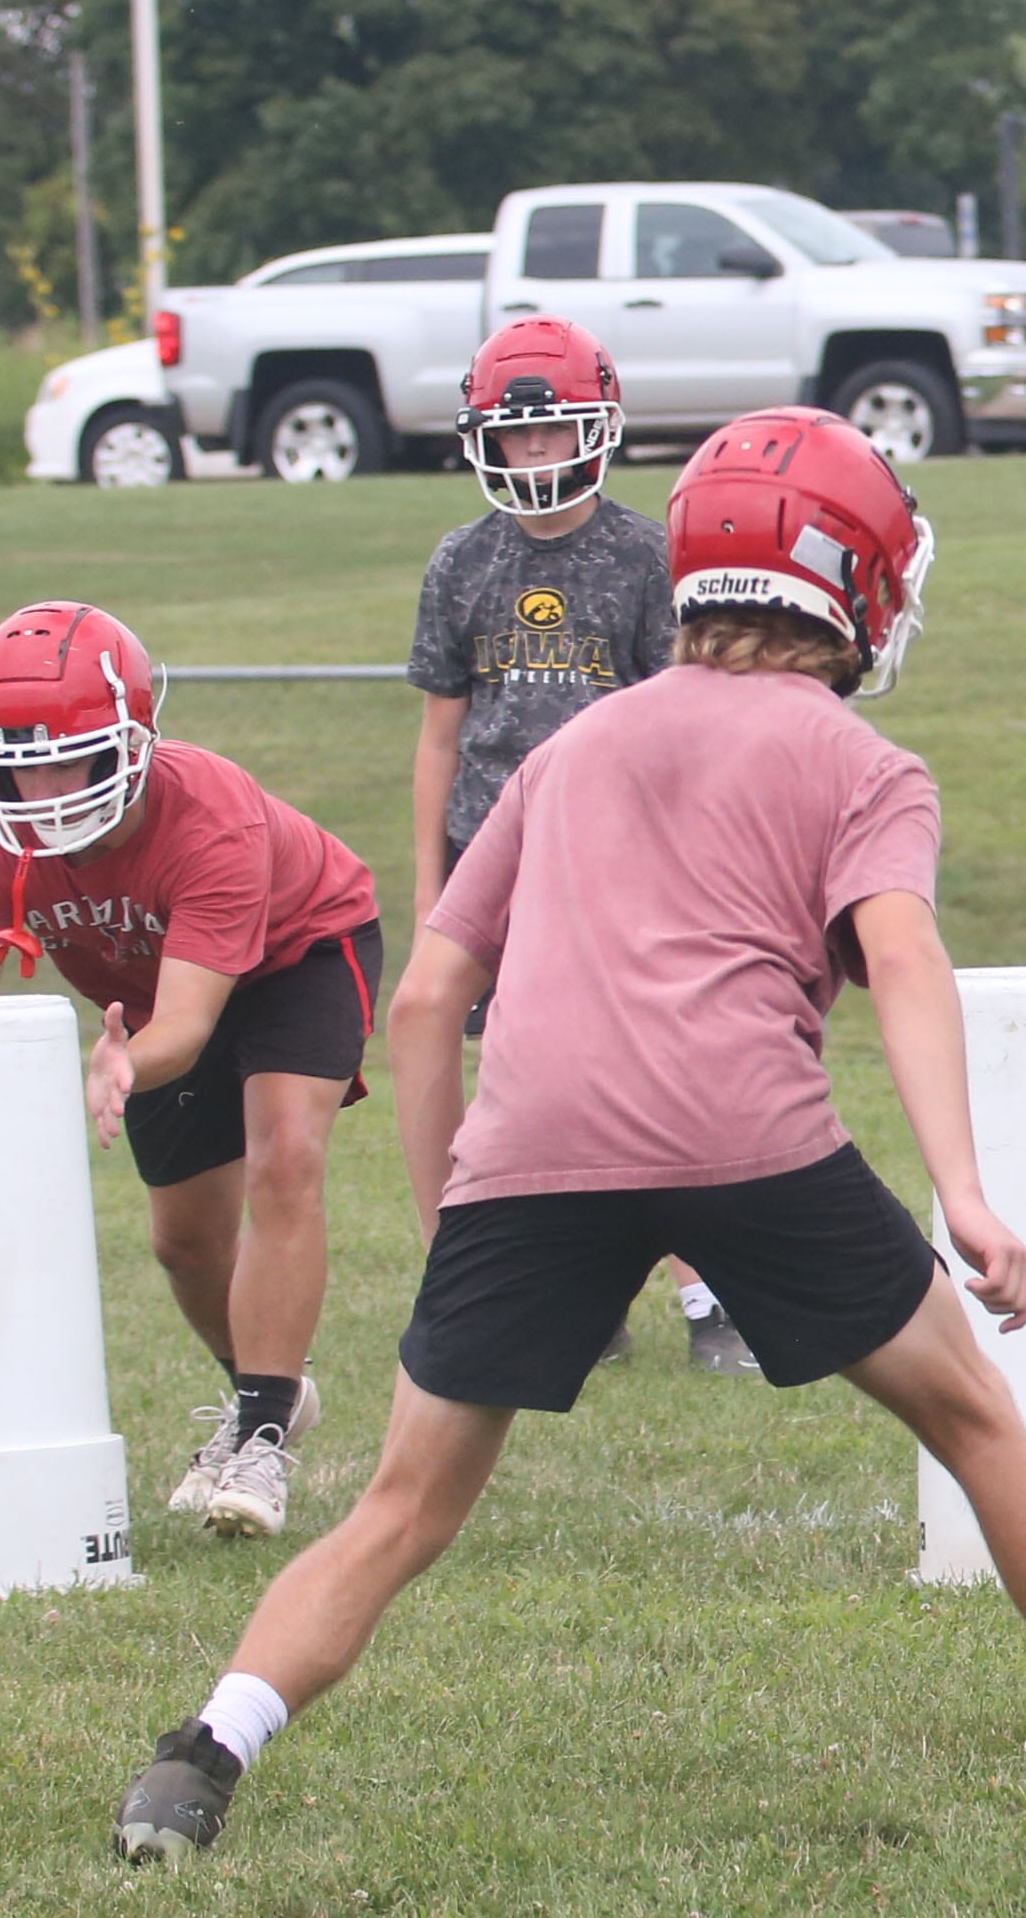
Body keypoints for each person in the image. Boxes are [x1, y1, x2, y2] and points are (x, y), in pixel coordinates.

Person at [110, 407, 1026, 1864]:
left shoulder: (568, 749)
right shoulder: (861, 759)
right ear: (859, 584)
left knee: (400, 1505)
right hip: (746, 1136)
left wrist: (452, 1210)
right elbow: (910, 970)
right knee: (974, 1418)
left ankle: (198, 1759)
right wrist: (963, 1187)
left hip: (531, 1152)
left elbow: (430, 994)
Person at [0, 602, 380, 1540]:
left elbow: (189, 1023)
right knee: (182, 1240)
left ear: (129, 741)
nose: (41, 786)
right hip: (146, 1012)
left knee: (284, 1154)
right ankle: (267, 1392)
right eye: (16, 761)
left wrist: (121, 1060)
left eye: (66, 756)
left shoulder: (205, 811)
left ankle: (259, 1436)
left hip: (297, 954)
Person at [407, 318, 745, 1375]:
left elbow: (682, 722)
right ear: (485, 442)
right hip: (491, 855)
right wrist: (431, 885)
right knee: (520, 1087)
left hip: (617, 852)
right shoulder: (460, 560)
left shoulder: (650, 555)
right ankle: (547, 1293)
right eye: (518, 439)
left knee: (642, 1071)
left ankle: (705, 1294)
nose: (537, 456)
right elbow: (439, 735)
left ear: (595, 431)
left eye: (556, 435)